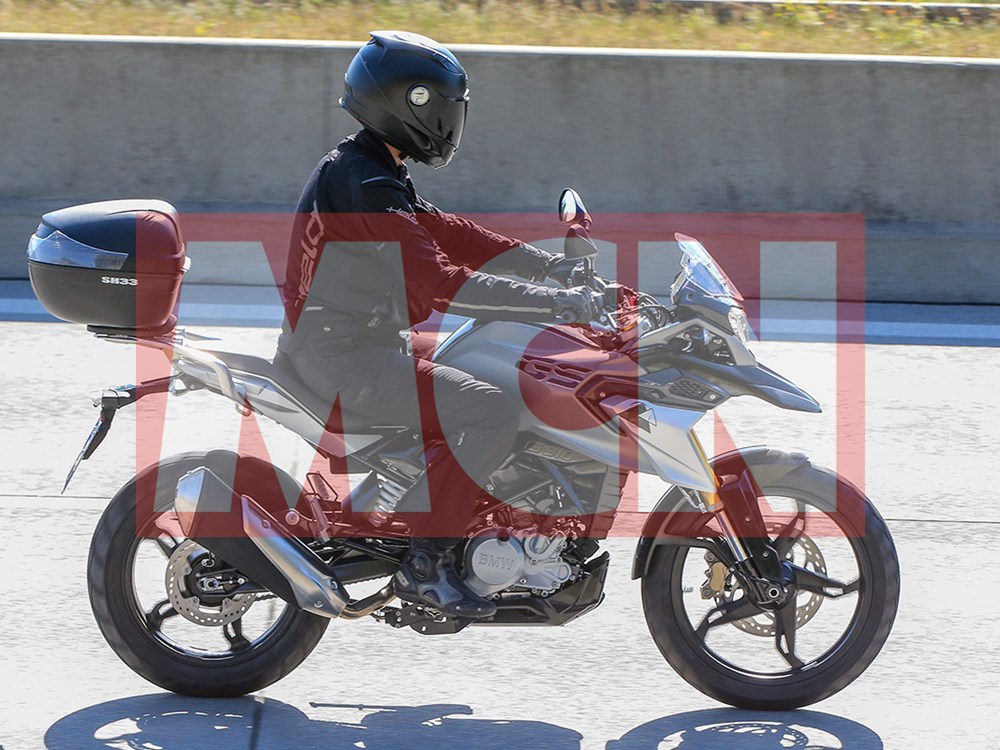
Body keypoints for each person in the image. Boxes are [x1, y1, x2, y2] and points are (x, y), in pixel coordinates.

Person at [276, 30, 598, 620]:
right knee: (490, 408)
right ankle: (428, 564)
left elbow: (449, 231)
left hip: (356, 343)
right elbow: (440, 281)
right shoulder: (366, 182)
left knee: (492, 364)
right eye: (446, 108)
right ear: (410, 104)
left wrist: (550, 267)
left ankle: (458, 516)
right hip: (341, 355)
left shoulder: (373, 168)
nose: (453, 121)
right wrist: (554, 304)